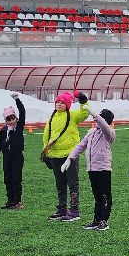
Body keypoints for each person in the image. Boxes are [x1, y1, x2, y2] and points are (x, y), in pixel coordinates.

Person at [41, 90, 90, 221]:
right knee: (60, 184)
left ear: (67, 105)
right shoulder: (52, 117)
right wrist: (45, 151)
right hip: (55, 156)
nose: (59, 104)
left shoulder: (73, 115)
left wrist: (83, 100)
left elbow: (84, 113)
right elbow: (46, 135)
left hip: (70, 155)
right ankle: (62, 209)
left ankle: (74, 211)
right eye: (57, 102)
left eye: (62, 102)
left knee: (73, 183)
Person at [65, 106, 116, 231]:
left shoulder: (109, 132)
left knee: (105, 195)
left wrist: (94, 114)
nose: (95, 119)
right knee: (97, 196)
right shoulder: (91, 131)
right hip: (92, 169)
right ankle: (96, 220)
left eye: (99, 117)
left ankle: (104, 220)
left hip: (103, 168)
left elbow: (104, 125)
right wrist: (70, 158)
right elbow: (81, 145)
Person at [0, 94, 28, 210]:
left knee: (16, 178)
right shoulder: (3, 130)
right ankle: (10, 200)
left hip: (17, 156)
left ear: (16, 118)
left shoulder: (19, 127)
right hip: (7, 157)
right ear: (5, 120)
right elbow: (1, 143)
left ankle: (18, 201)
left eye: (12, 118)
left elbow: (22, 111)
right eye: (8, 119)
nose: (11, 121)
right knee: (7, 178)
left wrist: (17, 100)